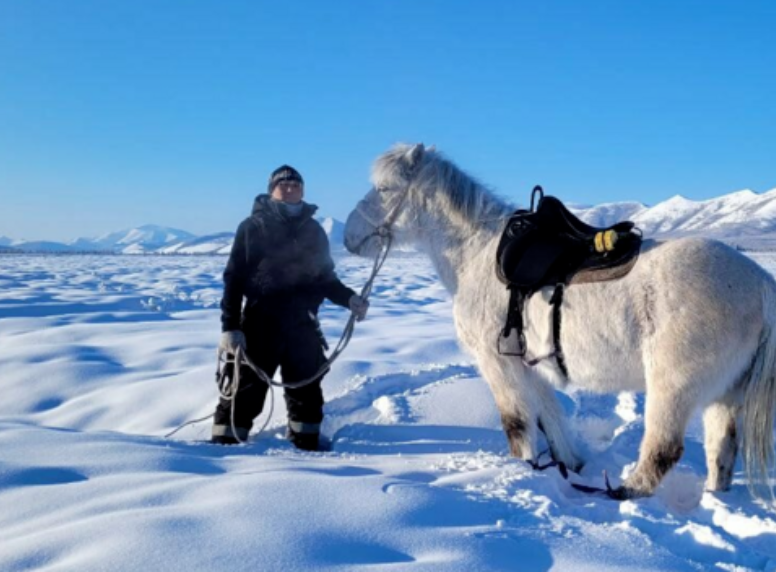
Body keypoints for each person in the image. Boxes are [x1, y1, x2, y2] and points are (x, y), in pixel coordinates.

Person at [212, 165, 369, 450]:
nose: (290, 187)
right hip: (260, 324)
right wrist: (230, 327)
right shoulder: (253, 227)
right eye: (282, 184)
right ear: (271, 189)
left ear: (303, 190)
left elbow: (325, 279)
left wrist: (349, 298)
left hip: (303, 326)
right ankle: (222, 450)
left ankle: (306, 450)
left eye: (295, 183)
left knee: (307, 393)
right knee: (244, 390)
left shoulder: (314, 230)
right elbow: (233, 279)